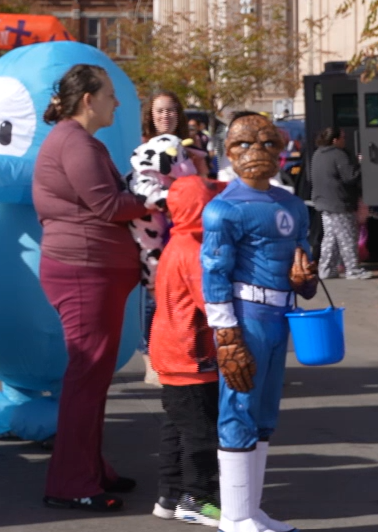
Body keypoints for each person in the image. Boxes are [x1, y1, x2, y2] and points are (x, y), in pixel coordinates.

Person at [32, 63, 152, 511]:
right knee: (86, 379)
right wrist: (161, 197)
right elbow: (107, 204)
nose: (116, 102)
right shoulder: (75, 141)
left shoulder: (75, 140)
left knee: (93, 379)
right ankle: (71, 483)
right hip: (84, 272)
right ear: (88, 99)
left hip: (92, 270)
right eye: (110, 94)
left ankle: (91, 470)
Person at [203, 112, 316, 532]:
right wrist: (227, 332)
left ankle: (251, 508)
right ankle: (234, 515)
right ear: (228, 151)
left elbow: (303, 259)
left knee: (265, 412)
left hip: (281, 316)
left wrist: (306, 279)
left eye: (269, 143)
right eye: (245, 144)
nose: (258, 153)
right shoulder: (223, 209)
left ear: (282, 149)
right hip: (246, 315)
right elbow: (214, 272)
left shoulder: (291, 204)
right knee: (239, 407)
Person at [150, 171, 227, 527]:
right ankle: (198, 500)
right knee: (200, 432)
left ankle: (170, 495)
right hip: (191, 355)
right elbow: (210, 303)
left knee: (177, 427)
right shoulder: (195, 251)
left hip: (170, 352)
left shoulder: (177, 243)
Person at [309, 127, 368, 280]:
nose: (344, 140)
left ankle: (326, 269)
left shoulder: (318, 154)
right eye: (342, 138)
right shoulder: (338, 155)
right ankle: (353, 269)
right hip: (339, 203)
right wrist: (362, 164)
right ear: (335, 140)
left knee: (331, 238)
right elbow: (350, 177)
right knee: (348, 236)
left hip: (323, 202)